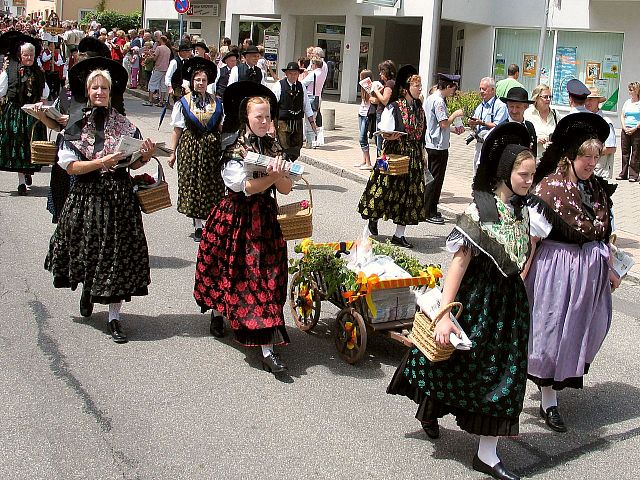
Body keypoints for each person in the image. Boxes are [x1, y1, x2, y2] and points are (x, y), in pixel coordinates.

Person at [388, 122, 536, 480]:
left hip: (510, 306)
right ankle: (429, 408)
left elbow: (527, 250)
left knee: (505, 374)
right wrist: (442, 315)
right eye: (523, 175)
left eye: (533, 175)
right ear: (505, 172)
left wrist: (521, 283)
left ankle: (487, 454)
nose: (529, 181)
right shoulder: (480, 210)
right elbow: (458, 264)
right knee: (458, 364)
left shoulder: (523, 210)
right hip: (478, 301)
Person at [44, 57, 156, 344]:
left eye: (103, 88)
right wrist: (99, 162)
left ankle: (114, 317)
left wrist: (144, 155)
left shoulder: (124, 124)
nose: (99, 93)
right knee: (88, 251)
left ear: (110, 92)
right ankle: (88, 289)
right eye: (94, 88)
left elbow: (131, 165)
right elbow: (69, 166)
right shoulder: (76, 125)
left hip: (119, 197)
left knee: (117, 257)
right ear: (87, 91)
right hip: (87, 196)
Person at [524, 112, 619, 433]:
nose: (592, 163)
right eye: (586, 157)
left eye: (596, 156)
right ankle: (549, 400)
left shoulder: (596, 190)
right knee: (552, 334)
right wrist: (520, 274)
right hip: (557, 273)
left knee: (582, 331)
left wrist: (612, 267)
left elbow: (608, 233)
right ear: (571, 156)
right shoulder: (551, 189)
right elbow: (532, 238)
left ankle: (559, 382)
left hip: (589, 276)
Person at [193, 81, 294, 374]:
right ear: (246, 118)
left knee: (266, 278)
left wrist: (281, 175)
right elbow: (244, 186)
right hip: (237, 216)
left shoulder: (275, 146)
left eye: (268, 117)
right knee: (228, 269)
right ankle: (217, 311)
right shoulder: (233, 145)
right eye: (259, 117)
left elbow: (286, 189)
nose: (264, 122)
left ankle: (267, 347)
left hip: (266, 218)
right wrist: (272, 177)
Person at [358, 65, 428, 248]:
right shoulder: (394, 106)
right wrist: (390, 135)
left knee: (409, 194)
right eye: (416, 86)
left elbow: (421, 133)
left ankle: (399, 234)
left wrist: (423, 152)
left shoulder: (419, 108)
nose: (420, 89)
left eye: (420, 86)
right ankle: (372, 220)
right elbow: (383, 130)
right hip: (392, 153)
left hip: (412, 155)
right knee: (381, 188)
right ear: (406, 89)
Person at [168, 57, 223, 242]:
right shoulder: (183, 102)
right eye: (197, 80)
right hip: (190, 147)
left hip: (212, 150)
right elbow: (177, 129)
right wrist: (172, 152)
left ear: (208, 82)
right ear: (192, 82)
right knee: (194, 184)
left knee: (211, 185)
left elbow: (221, 127)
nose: (200, 83)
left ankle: (210, 222)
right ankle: (198, 225)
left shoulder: (216, 102)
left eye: (204, 80)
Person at [0, 34, 48, 195]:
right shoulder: (9, 71)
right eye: (25, 55)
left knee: (30, 148)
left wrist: (41, 102)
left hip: (33, 114)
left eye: (31, 55)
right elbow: (1, 91)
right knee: (18, 146)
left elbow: (45, 93)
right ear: (20, 55)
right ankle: (21, 181)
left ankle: (27, 172)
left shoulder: (39, 72)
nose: (28, 58)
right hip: (15, 113)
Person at [423, 72, 465, 225]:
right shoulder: (439, 101)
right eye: (453, 88)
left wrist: (454, 129)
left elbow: (438, 124)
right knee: (435, 179)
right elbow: (443, 124)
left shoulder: (431, 98)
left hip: (433, 142)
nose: (454, 91)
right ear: (447, 87)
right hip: (438, 145)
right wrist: (455, 115)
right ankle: (428, 211)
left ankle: (431, 208)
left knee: (434, 178)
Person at [271, 61, 315, 161]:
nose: (293, 76)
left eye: (295, 73)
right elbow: (271, 105)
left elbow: (306, 105)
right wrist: (271, 125)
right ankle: (285, 170)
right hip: (283, 121)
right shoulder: (279, 85)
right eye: (290, 73)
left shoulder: (301, 86)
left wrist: (312, 122)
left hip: (297, 121)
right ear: (286, 74)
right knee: (284, 148)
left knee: (297, 147)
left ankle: (290, 165)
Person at [468, 76, 508, 172]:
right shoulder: (479, 106)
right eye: (480, 89)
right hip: (479, 144)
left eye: (484, 89)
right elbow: (475, 124)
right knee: (476, 172)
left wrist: (481, 122)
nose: (481, 91)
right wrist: (472, 124)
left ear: (493, 90)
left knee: (488, 172)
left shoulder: (500, 106)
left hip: (493, 145)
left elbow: (497, 126)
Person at [585, 86, 617, 179]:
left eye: (590, 99)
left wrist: (589, 154)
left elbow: (611, 148)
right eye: (585, 99)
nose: (587, 102)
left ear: (598, 101)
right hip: (583, 169)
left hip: (598, 170)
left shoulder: (605, 122)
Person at [500, 86, 537, 156]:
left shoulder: (530, 127)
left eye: (518, 107)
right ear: (507, 106)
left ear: (526, 107)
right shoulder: (502, 129)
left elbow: (534, 153)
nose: (514, 111)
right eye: (511, 106)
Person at [524, 84, 557, 162]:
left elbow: (561, 134)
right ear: (536, 98)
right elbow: (523, 136)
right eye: (545, 97)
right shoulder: (528, 113)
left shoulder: (555, 114)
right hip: (533, 158)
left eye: (550, 97)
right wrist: (536, 139)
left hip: (551, 159)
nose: (548, 99)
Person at [370, 59, 396, 154]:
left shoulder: (389, 83)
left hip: (383, 114)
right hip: (385, 113)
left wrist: (376, 91)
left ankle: (380, 163)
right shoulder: (392, 83)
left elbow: (385, 100)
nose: (380, 74)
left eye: (382, 72)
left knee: (380, 141)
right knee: (380, 141)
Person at [617, 81, 640, 181]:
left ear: (637, 90)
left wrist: (635, 128)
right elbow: (622, 115)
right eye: (629, 89)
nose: (629, 91)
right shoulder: (627, 102)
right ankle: (623, 174)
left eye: (631, 90)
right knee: (625, 153)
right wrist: (624, 127)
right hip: (625, 130)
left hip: (637, 130)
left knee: (636, 153)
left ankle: (633, 175)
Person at [355, 69, 374, 170]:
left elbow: (373, 100)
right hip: (361, 113)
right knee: (363, 137)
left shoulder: (372, 88)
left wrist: (369, 89)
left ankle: (369, 162)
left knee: (362, 138)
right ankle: (364, 160)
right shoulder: (362, 89)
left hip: (367, 114)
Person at [144, 35, 171, 107]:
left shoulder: (159, 48)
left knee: (152, 83)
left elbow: (154, 58)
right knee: (163, 85)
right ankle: (161, 101)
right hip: (165, 69)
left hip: (158, 68)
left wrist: (149, 54)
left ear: (161, 40)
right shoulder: (168, 49)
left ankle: (150, 100)